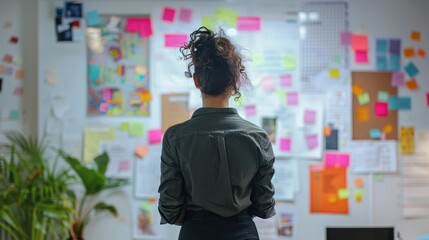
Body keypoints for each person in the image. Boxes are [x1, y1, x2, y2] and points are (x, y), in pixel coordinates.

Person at [158, 26, 276, 240]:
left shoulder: (175, 137)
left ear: (196, 81)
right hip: (243, 232)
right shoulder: (258, 137)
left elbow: (169, 207)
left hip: (195, 233)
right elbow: (264, 205)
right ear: (234, 83)